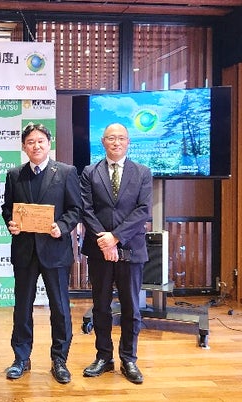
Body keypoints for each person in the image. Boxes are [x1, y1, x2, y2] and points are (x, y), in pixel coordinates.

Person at [1, 123, 82, 384]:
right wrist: (11, 223)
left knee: (60, 308)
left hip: (55, 250)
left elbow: (75, 209)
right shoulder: (14, 175)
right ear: (24, 147)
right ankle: (21, 358)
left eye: (40, 141)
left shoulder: (66, 172)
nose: (36, 146)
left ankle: (59, 360)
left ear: (49, 144)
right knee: (22, 307)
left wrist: (62, 226)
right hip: (25, 251)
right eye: (30, 142)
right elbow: (7, 208)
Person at [79, 122, 152, 384]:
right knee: (100, 306)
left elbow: (143, 210)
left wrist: (116, 237)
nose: (116, 142)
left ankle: (129, 359)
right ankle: (104, 357)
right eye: (111, 138)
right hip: (99, 249)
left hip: (131, 248)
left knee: (131, 307)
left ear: (128, 142)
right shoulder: (90, 172)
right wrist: (105, 241)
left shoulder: (142, 172)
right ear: (103, 141)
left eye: (121, 138)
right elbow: (85, 209)